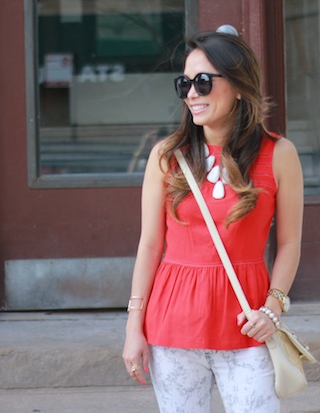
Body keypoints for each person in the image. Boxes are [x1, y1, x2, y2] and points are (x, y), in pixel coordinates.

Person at [122, 27, 304, 413]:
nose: (191, 93)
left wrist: (272, 309)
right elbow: (150, 244)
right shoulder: (167, 156)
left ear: (238, 85)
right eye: (184, 83)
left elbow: (289, 242)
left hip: (247, 324)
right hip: (172, 327)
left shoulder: (279, 153)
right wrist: (133, 327)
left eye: (203, 82)